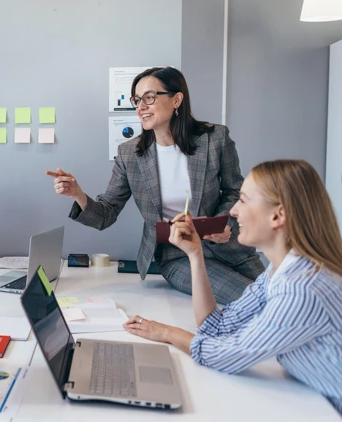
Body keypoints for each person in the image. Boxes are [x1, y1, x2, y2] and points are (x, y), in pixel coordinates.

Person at [124, 160, 342, 414]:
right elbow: (217, 326)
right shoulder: (279, 272)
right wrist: (196, 255)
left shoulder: (301, 288)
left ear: (278, 215)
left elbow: (227, 355)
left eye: (244, 200)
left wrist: (166, 333)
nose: (235, 211)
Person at [47, 66, 265, 304]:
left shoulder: (215, 138)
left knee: (289, 297)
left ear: (176, 99)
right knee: (255, 299)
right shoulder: (130, 153)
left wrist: (225, 224)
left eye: (149, 97)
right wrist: (78, 195)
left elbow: (235, 191)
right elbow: (106, 214)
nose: (141, 107)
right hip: (177, 256)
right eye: (137, 100)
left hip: (231, 250)